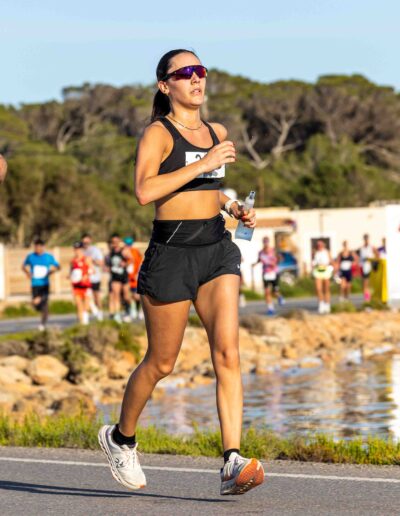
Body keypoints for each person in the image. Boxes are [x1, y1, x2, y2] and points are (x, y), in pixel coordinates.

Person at [98, 49, 264, 496]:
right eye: (185, 72)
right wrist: (203, 163)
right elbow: (144, 190)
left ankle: (232, 460)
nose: (196, 79)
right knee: (161, 362)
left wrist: (233, 206)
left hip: (216, 249)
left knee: (227, 353)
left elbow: (208, 188)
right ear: (164, 85)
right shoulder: (158, 133)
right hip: (171, 253)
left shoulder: (216, 132)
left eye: (200, 71)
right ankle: (121, 438)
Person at [22, 238, 60, 331]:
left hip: (44, 284)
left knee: (44, 304)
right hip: (35, 284)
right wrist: (28, 273)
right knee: (36, 305)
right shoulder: (31, 257)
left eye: (40, 247)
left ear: (43, 247)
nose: (38, 249)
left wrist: (51, 272)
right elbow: (23, 266)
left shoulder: (48, 257)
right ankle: (38, 306)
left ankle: (42, 325)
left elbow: (58, 266)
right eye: (36, 247)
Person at [252, 236, 283, 315]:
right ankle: (270, 309)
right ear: (263, 242)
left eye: (267, 242)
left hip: (274, 273)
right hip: (265, 273)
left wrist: (275, 263)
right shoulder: (261, 252)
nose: (265, 243)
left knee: (275, 292)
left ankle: (279, 297)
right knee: (267, 292)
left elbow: (280, 259)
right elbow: (259, 260)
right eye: (264, 242)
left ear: (269, 242)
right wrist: (255, 264)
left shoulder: (273, 250)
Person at [105, 233, 131, 323]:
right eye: (113, 242)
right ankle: (117, 315)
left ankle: (128, 310)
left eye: (117, 241)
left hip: (124, 277)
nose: (115, 244)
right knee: (116, 296)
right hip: (115, 277)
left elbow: (131, 260)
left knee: (126, 296)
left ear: (120, 242)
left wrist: (125, 263)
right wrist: (107, 268)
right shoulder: (110, 253)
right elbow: (107, 264)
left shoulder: (124, 251)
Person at [82, 233, 104, 321]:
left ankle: (100, 313)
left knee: (96, 296)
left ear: (90, 240)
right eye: (84, 242)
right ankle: (89, 314)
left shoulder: (95, 250)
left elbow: (101, 263)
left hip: (95, 277)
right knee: (86, 296)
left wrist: (92, 260)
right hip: (85, 278)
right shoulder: (81, 250)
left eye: (87, 242)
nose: (85, 244)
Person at [70, 241, 93, 325]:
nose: (77, 251)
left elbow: (91, 270)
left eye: (79, 249)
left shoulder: (87, 259)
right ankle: (81, 323)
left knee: (86, 306)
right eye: (75, 249)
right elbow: (71, 272)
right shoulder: (73, 260)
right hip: (76, 286)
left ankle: (86, 321)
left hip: (86, 285)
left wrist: (86, 275)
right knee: (78, 305)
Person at [124, 236, 144, 320]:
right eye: (127, 244)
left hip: (134, 277)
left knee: (136, 296)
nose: (128, 245)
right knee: (127, 296)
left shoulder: (135, 251)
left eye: (129, 244)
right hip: (126, 277)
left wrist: (138, 274)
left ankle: (139, 310)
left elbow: (140, 263)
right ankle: (130, 311)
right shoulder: (123, 252)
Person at [312, 239, 334, 314]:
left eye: (320, 245)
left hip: (325, 270)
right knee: (318, 289)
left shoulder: (327, 252)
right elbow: (314, 262)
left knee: (326, 289)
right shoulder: (315, 252)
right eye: (318, 245)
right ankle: (321, 304)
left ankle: (327, 304)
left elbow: (331, 261)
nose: (319, 246)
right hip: (318, 270)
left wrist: (333, 269)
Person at [358, 234, 376, 302]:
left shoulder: (372, 247)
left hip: (371, 267)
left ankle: (370, 299)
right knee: (365, 284)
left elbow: (377, 255)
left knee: (370, 284)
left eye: (367, 239)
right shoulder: (361, 248)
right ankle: (367, 299)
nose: (366, 240)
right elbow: (359, 258)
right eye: (365, 239)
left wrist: (373, 261)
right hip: (364, 268)